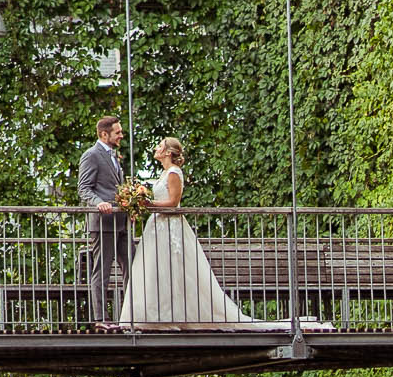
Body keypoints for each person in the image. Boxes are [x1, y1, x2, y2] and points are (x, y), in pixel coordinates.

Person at [118, 137, 259, 327]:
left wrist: (149, 204)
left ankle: (175, 316)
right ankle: (155, 316)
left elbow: (174, 203)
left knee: (172, 270)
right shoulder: (164, 172)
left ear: (168, 152)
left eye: (160, 146)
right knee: (156, 271)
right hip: (156, 226)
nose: (156, 148)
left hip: (170, 226)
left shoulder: (174, 173)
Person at [77, 115, 128, 329]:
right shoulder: (92, 155)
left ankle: (130, 314)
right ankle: (100, 318)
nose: (121, 135)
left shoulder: (114, 156)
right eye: (117, 132)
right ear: (104, 134)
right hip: (103, 223)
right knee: (102, 269)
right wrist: (99, 203)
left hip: (122, 221)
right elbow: (84, 188)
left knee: (132, 267)